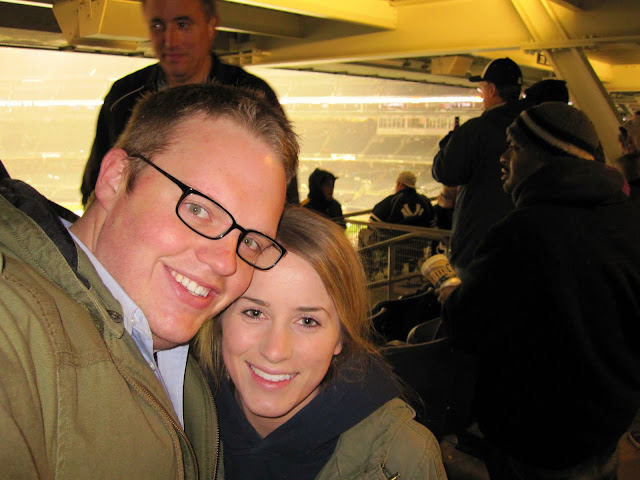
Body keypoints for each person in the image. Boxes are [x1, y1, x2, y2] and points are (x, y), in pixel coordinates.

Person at [0, 83, 299, 477]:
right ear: (115, 178)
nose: (226, 262)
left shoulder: (187, 359)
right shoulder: (13, 325)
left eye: (250, 241)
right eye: (199, 209)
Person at [433, 102, 640, 479]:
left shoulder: (522, 233)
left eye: (514, 146)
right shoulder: (627, 218)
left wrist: (447, 287)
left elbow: (468, 325)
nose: (503, 157)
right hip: (606, 427)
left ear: (544, 156)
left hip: (538, 438)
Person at [194, 206, 448, 480]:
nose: (275, 351)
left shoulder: (404, 459)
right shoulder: (174, 415)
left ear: (340, 337)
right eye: (254, 313)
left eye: (307, 321)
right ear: (220, 319)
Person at [80, 0, 299, 207]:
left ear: (211, 26)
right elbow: (96, 187)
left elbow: (282, 197)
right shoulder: (122, 97)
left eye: (183, 25)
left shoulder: (254, 96)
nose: (170, 41)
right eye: (158, 26)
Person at [432, 57, 523, 281]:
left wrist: (451, 142)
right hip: (519, 244)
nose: (481, 94)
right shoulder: (529, 126)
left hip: (477, 244)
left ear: (492, 89)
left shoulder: (476, 129)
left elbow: (444, 172)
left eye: (482, 88)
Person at [370, 171, 436, 227]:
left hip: (394, 238)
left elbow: (373, 221)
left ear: (400, 184)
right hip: (423, 238)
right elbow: (433, 223)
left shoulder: (393, 200)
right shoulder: (425, 201)